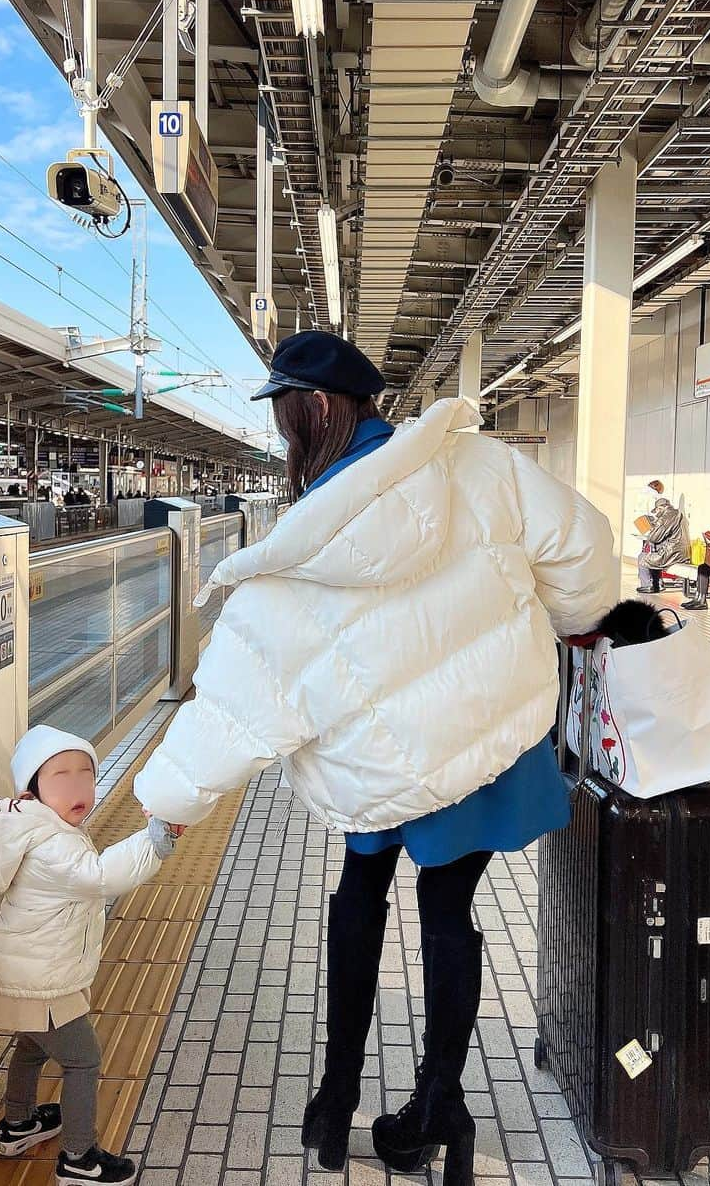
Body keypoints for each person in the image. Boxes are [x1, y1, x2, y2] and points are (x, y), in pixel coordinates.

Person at [133, 331, 617, 1186]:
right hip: (478, 746)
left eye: (287, 416)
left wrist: (171, 799)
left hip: (383, 764)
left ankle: (335, 1100)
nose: (286, 434)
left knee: (360, 896)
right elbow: (581, 545)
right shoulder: (480, 465)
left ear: (317, 407)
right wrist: (578, 617)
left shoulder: (305, 539)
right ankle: (440, 1108)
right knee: (447, 913)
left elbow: (241, 692)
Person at [0, 725, 182, 1185]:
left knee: (31, 1046)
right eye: (60, 778)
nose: (77, 788)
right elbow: (100, 875)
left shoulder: (35, 826)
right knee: (83, 1059)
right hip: (42, 977)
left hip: (33, 969)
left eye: (85, 776)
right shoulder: (51, 842)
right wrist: (156, 838)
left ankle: (19, 1123)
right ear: (31, 791)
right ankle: (79, 1157)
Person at [636, 481, 691, 593]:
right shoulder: (676, 513)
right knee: (654, 554)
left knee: (643, 558)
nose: (656, 514)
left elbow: (654, 538)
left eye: (656, 511)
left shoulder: (666, 517)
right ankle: (657, 584)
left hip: (674, 553)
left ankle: (649, 585)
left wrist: (652, 528)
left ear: (660, 508)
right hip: (681, 551)